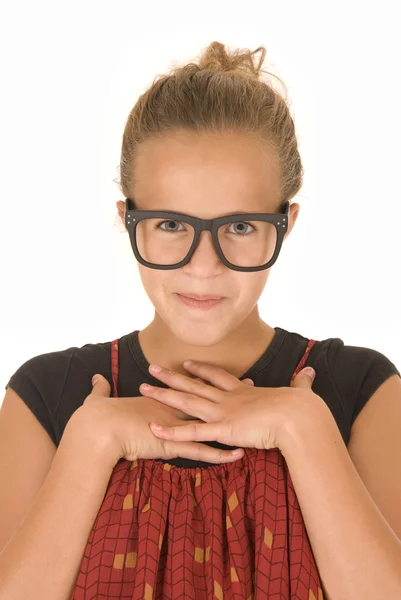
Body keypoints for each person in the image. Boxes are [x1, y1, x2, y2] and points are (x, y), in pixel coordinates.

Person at [1, 41, 400, 600]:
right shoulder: (47, 396)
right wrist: (92, 442)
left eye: (239, 227)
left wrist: (303, 429)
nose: (203, 266)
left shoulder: (361, 390)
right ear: (128, 219)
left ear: (286, 224)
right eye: (170, 225)